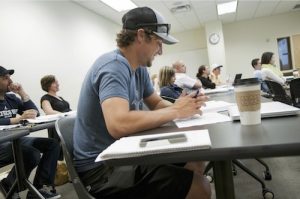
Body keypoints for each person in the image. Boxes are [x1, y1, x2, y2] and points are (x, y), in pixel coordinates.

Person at [73, 7, 211, 199]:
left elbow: (155, 103)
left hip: (124, 153)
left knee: (196, 163)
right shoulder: (113, 66)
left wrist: (184, 106)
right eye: (158, 42)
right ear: (140, 35)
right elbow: (118, 124)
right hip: (101, 169)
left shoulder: (138, 68)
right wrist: (176, 111)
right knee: (200, 188)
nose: (161, 51)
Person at [0, 66, 61, 199]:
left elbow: (35, 112)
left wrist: (22, 93)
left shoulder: (11, 98)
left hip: (14, 139)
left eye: (9, 77)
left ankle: (38, 188)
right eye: (5, 78)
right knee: (31, 154)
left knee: (52, 144)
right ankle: (10, 185)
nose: (10, 81)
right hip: (1, 143)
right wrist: (17, 119)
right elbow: (16, 119)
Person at [40, 75, 71, 186]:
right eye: (55, 82)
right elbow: (49, 111)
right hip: (57, 127)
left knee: (70, 150)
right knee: (60, 153)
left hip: (67, 124)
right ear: (48, 85)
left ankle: (72, 173)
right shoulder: (45, 98)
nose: (58, 83)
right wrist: (66, 114)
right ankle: (55, 177)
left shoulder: (60, 98)